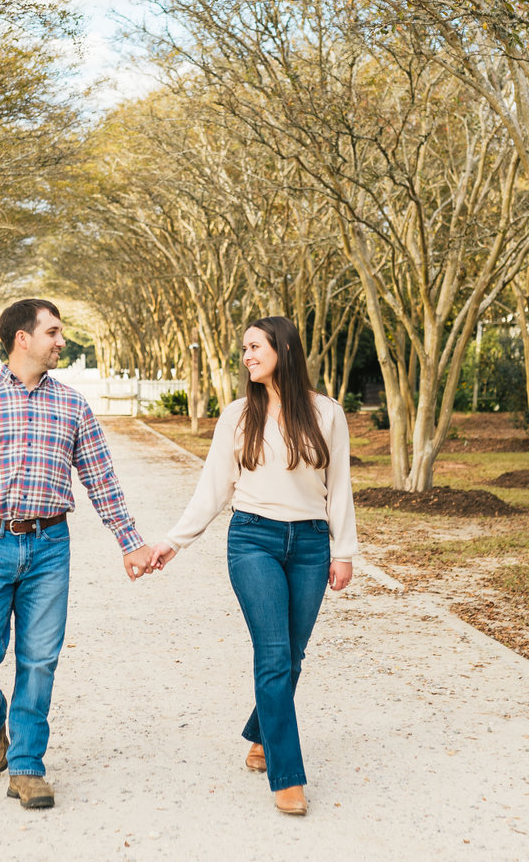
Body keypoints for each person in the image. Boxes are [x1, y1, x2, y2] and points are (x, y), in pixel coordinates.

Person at [0, 298, 154, 810]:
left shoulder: (72, 405)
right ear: (21, 338)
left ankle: (27, 765)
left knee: (40, 660)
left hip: (51, 545)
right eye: (52, 331)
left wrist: (130, 541)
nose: (61, 340)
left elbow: (101, 478)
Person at [149, 316, 357, 816]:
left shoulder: (327, 413)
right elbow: (214, 488)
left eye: (255, 347)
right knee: (273, 653)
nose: (246, 356)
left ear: (283, 349)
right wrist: (175, 542)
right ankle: (287, 777)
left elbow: (340, 485)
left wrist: (344, 550)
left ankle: (262, 733)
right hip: (252, 541)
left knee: (293, 654)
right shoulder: (238, 415)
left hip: (310, 544)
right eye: (243, 349)